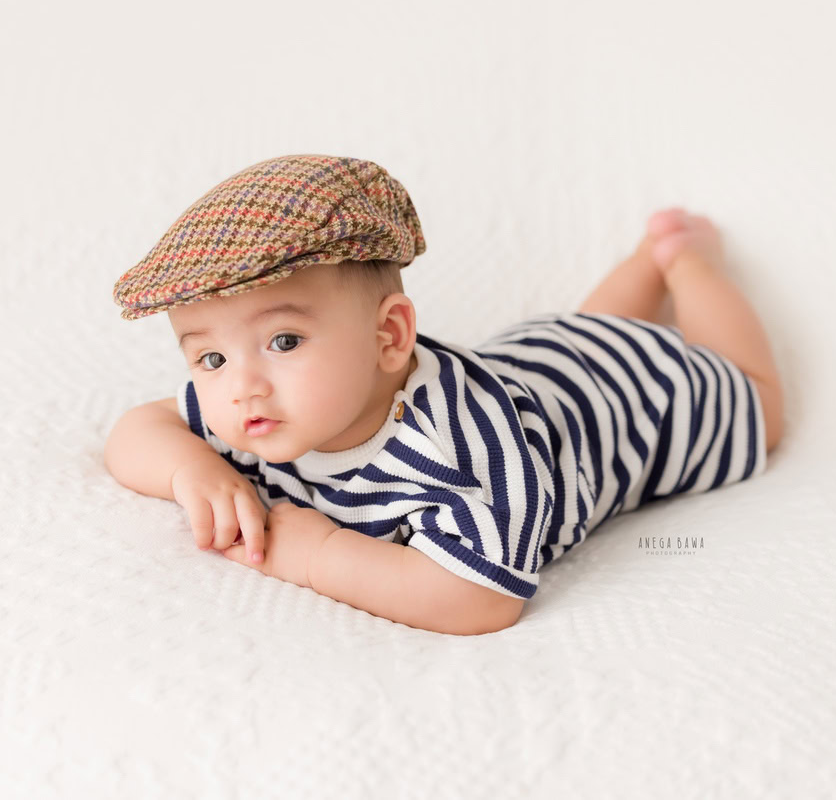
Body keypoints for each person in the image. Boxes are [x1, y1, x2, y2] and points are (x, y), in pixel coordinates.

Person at [103, 154, 784, 635]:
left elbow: (482, 597)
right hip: (546, 356)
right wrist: (189, 467)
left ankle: (688, 261)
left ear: (389, 338)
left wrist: (320, 555)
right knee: (584, 331)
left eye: (284, 342)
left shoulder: (461, 447)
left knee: (759, 404)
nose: (240, 383)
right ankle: (644, 262)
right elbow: (135, 432)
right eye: (211, 357)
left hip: (638, 396)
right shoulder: (246, 407)